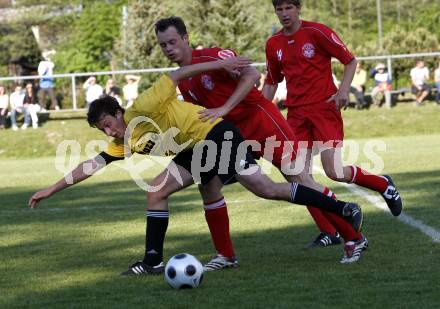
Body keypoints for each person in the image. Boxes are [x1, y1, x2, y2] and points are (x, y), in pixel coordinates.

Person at [29, 56, 364, 276]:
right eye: (102, 130)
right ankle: (153, 260)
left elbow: (177, 74)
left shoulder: (144, 104)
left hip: (216, 134)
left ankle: (341, 208)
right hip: (196, 149)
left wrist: (222, 66)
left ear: (118, 113)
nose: (109, 132)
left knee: (267, 189)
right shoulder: (124, 141)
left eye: (108, 123)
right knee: (157, 191)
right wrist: (51, 188)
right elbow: (92, 164)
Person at [154, 16, 369, 266]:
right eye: (163, 45)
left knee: (299, 179)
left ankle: (353, 236)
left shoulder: (212, 56)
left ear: (185, 38)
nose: (169, 49)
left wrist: (225, 107)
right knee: (209, 185)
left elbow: (252, 75)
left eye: (172, 42)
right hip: (232, 136)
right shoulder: (183, 77)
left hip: (263, 122)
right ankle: (225, 256)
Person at [263, 0, 402, 258]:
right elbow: (271, 83)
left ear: (298, 8)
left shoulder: (317, 32)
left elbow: (350, 61)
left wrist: (343, 90)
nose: (284, 14)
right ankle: (330, 231)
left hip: (324, 109)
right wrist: (259, 110)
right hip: (295, 115)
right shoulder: (273, 44)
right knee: (296, 176)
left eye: (288, 8)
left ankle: (383, 184)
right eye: (279, 9)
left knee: (334, 171)